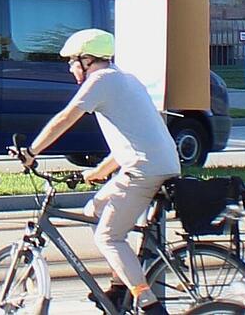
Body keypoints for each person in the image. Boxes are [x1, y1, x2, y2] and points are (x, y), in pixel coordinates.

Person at [19, 28, 181, 315]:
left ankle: (149, 303)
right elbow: (131, 141)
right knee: (94, 209)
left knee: (108, 237)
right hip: (156, 163)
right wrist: (92, 173)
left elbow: (66, 117)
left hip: (144, 171)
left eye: (72, 61)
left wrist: (32, 152)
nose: (70, 68)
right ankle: (120, 289)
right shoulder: (125, 79)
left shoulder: (101, 81)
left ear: (88, 60)